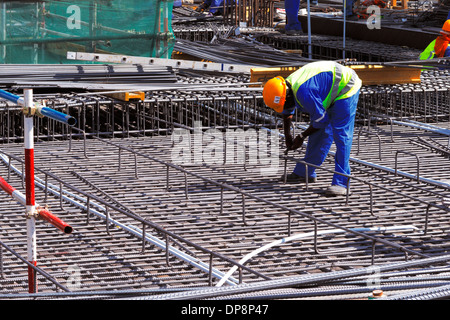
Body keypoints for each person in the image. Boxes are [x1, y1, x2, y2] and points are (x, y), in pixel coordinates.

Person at [262, 61, 362, 196]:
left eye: (284, 104)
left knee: (341, 135)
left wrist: (301, 136)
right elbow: (287, 111)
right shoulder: (287, 88)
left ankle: (342, 183)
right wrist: (288, 136)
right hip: (327, 88)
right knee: (319, 133)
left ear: (287, 96)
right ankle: (305, 172)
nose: (284, 108)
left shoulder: (304, 92)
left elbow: (321, 120)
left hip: (346, 87)